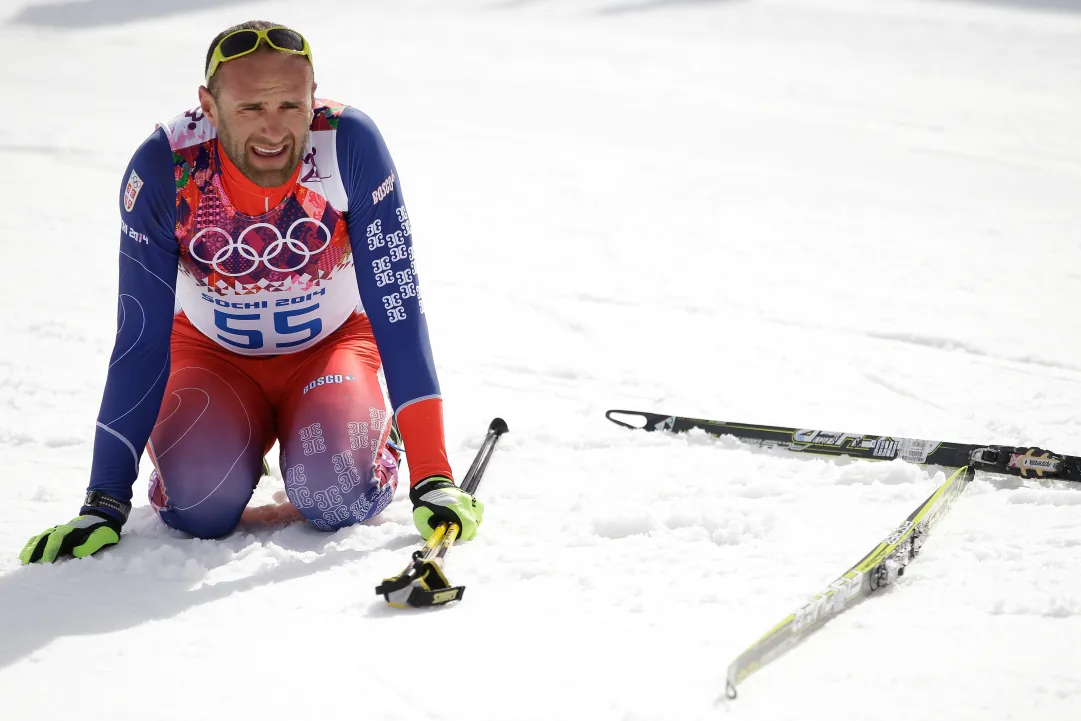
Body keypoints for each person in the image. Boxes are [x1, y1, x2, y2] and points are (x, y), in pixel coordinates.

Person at [20, 21, 482, 564]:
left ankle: (376, 434)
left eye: (290, 106)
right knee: (198, 508)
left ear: (313, 97)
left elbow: (397, 312)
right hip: (211, 354)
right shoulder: (165, 166)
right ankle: (243, 437)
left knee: (334, 494)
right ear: (209, 107)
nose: (273, 130)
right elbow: (140, 337)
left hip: (332, 349)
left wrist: (433, 476)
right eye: (248, 109)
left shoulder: (349, 144)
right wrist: (103, 502)